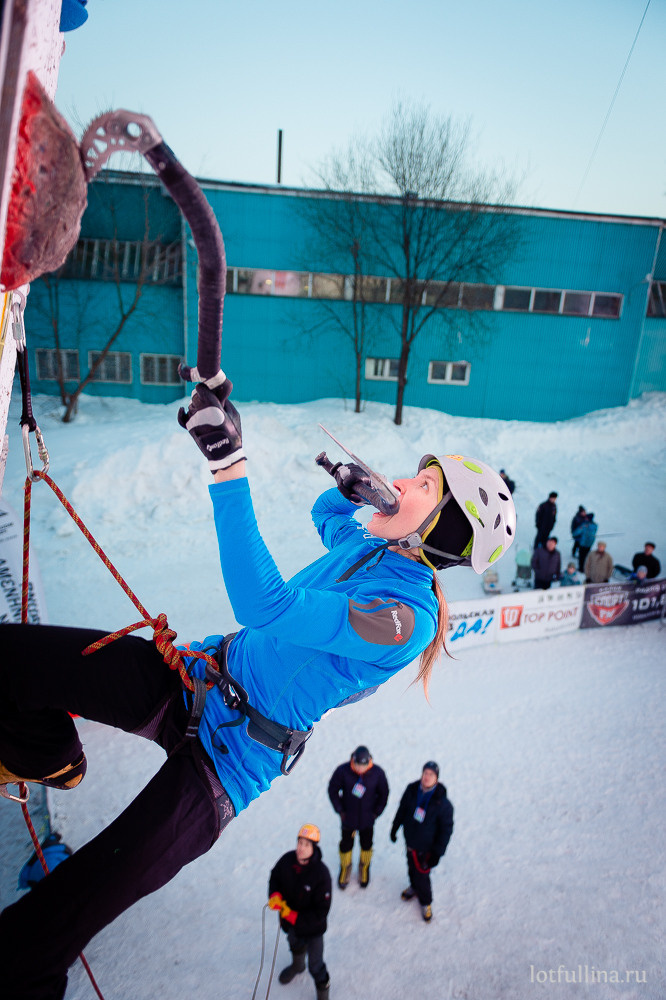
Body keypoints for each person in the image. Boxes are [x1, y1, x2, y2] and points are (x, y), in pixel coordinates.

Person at [0, 372, 515, 999]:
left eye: (422, 488)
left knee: (38, 936)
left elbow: (262, 603)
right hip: (197, 681)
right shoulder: (382, 551)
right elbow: (329, 515)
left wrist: (228, 465)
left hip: (223, 772)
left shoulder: (404, 620)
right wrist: (356, 491)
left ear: (447, 534)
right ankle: (50, 760)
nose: (401, 483)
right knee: (11, 662)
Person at [268, 824, 332, 1000]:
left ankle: (323, 993)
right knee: (294, 944)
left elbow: (321, 912)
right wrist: (274, 894)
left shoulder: (321, 874)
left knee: (316, 965)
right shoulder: (287, 860)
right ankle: (297, 966)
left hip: (313, 931)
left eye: (306, 844)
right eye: (299, 843)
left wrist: (294, 916)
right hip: (290, 925)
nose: (300, 848)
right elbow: (275, 876)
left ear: (314, 848)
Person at [390, 761, 454, 922]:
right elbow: (402, 809)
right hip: (410, 841)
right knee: (411, 868)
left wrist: (437, 853)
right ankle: (413, 887)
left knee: (422, 877)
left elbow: (445, 831)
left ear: (436, 779)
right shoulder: (412, 790)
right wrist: (395, 827)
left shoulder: (443, 804)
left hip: (426, 849)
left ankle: (426, 902)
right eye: (425, 773)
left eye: (431, 774)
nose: (427, 777)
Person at [327, 744, 389, 889]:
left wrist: (376, 812)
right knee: (346, 844)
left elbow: (384, 793)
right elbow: (333, 789)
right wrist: (340, 810)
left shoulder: (377, 773)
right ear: (353, 760)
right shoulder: (343, 771)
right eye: (357, 765)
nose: (360, 769)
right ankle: (345, 867)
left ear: (369, 762)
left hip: (368, 819)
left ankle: (364, 868)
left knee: (366, 845)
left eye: (363, 765)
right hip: (347, 818)